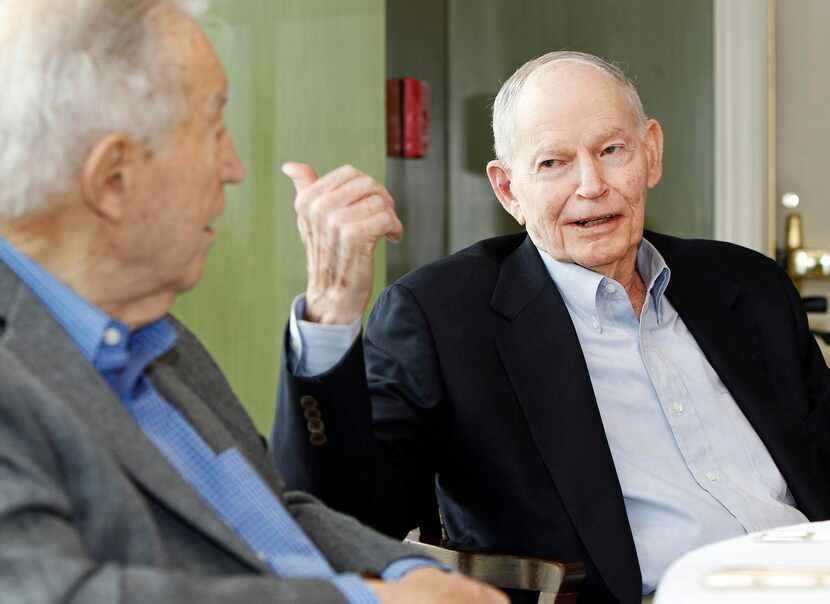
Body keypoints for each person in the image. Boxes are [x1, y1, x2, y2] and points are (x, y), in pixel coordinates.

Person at [273, 51, 830, 604]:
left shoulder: (746, 287)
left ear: (652, 153)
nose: (591, 185)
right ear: (508, 189)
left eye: (612, 150)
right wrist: (330, 312)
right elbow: (336, 516)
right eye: (553, 163)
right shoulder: (444, 319)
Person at [0, 1, 509, 603]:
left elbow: (276, 506)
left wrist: (409, 573)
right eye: (214, 129)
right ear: (113, 178)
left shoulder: (160, 338)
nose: (235, 167)